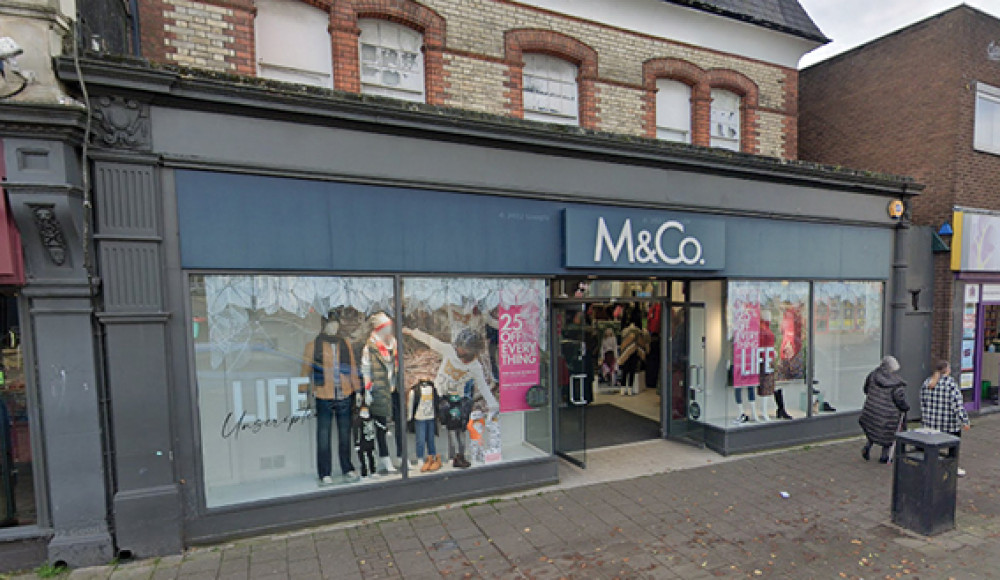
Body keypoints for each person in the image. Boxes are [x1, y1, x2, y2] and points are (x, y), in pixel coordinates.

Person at [403, 326, 499, 468]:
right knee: (437, 426)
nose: (459, 353)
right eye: (459, 349)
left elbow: (483, 386)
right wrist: (411, 332)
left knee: (456, 427)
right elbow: (431, 341)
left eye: (463, 351)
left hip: (456, 398)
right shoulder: (449, 351)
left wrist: (493, 404)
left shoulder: (475, 367)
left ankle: (455, 456)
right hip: (439, 393)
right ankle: (435, 456)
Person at [300, 309, 360, 485]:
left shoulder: (344, 343)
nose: (334, 328)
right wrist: (303, 391)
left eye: (336, 324)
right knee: (324, 435)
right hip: (323, 394)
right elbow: (305, 369)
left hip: (344, 393)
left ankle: (347, 467)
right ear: (324, 325)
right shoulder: (313, 345)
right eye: (330, 324)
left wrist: (358, 391)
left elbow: (352, 368)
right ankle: (324, 472)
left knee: (344, 434)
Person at [360, 312, 398, 474]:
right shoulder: (370, 347)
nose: (390, 328)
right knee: (381, 427)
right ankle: (385, 459)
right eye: (387, 326)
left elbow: (394, 366)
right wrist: (367, 390)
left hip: (393, 389)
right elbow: (365, 369)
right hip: (379, 390)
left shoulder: (393, 343)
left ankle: (400, 457)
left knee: (395, 424)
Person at [921, 360, 971, 477]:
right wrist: (965, 421)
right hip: (948, 424)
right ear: (947, 370)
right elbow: (957, 405)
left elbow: (922, 403)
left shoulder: (927, 383)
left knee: (933, 446)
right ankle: (952, 467)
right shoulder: (951, 384)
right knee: (953, 445)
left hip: (931, 424)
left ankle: (932, 465)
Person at [859, 356, 909, 464]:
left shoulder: (873, 375)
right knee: (888, 435)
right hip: (888, 416)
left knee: (873, 430)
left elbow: (866, 389)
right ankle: (884, 457)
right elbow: (900, 401)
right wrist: (906, 408)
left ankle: (867, 447)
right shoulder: (897, 384)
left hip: (872, 411)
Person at [407, 379, 441, 472]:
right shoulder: (415, 391)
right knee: (420, 439)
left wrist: (438, 416)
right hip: (419, 417)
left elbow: (436, 403)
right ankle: (420, 458)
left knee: (431, 439)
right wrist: (409, 417)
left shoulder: (433, 389)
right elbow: (411, 404)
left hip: (431, 417)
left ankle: (432, 457)